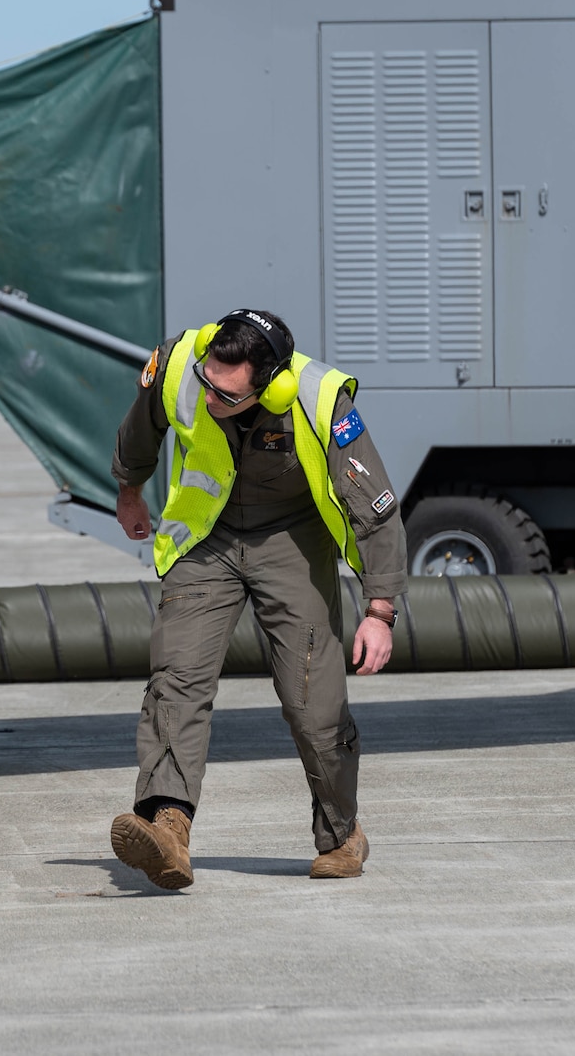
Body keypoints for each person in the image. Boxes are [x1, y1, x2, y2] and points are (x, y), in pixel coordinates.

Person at [108, 309, 406, 889]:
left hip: (291, 541)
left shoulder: (321, 401)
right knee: (177, 678)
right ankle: (168, 827)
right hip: (206, 538)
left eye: (228, 393)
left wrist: (380, 611)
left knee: (311, 704)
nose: (211, 396)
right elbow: (143, 426)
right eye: (207, 382)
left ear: (270, 385)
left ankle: (341, 835)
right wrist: (129, 489)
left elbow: (378, 510)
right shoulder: (179, 365)